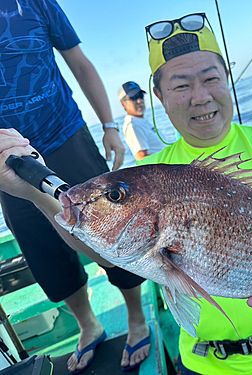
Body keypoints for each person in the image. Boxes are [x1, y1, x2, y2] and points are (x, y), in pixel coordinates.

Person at [0, 11, 252, 375]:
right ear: (159, 94)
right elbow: (106, 256)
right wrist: (33, 194)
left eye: (211, 78)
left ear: (227, 77)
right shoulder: (153, 169)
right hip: (200, 363)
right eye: (182, 85)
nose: (200, 97)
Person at [0, 0, 149, 373]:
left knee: (115, 230)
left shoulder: (34, 4)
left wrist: (110, 127)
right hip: (6, 159)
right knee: (43, 249)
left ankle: (136, 318)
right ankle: (88, 325)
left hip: (65, 136)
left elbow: (80, 63)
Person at [118, 81, 166, 160]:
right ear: (123, 103)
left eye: (140, 96)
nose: (139, 101)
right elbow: (142, 158)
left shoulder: (140, 121)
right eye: (133, 98)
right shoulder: (132, 125)